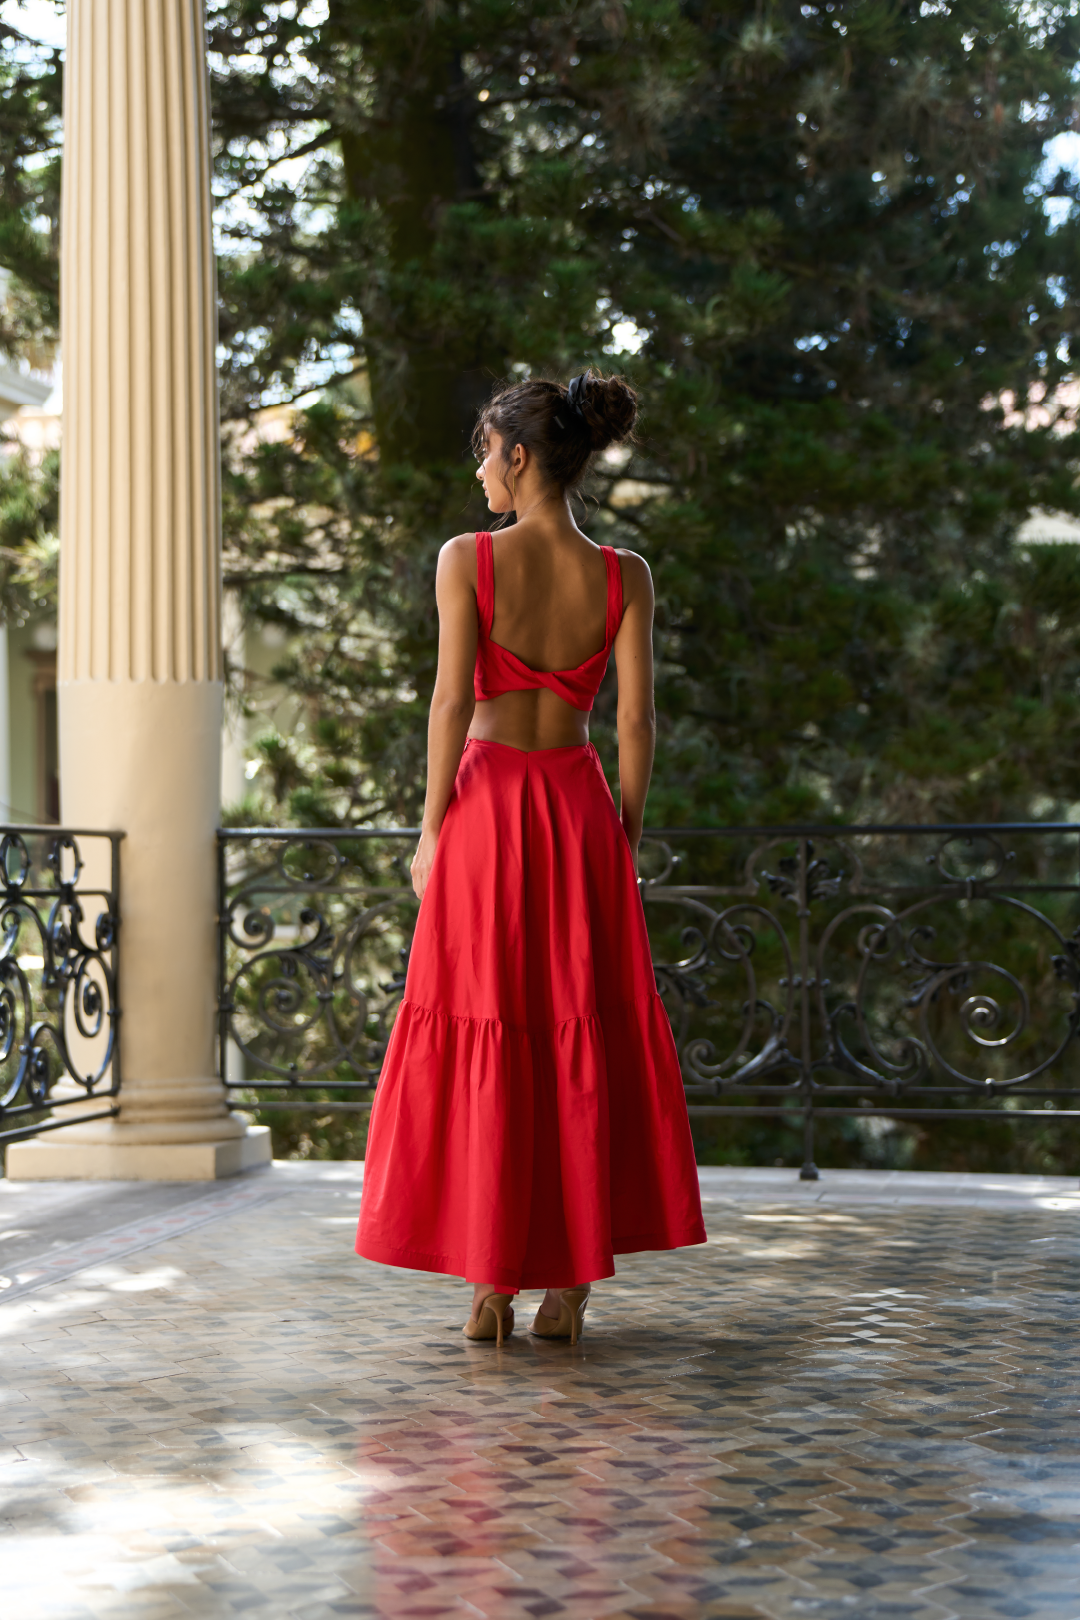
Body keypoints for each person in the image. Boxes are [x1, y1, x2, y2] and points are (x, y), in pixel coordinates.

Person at [355, 370, 706, 1346]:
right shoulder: (626, 575)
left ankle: (489, 1287)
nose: (480, 472)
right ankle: (570, 1290)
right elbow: (636, 722)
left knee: (490, 1027)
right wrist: (625, 833)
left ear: (518, 455)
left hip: (483, 813)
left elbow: (448, 703)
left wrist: (430, 828)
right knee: (575, 1036)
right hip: (578, 811)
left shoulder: (468, 559)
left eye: (485, 453)